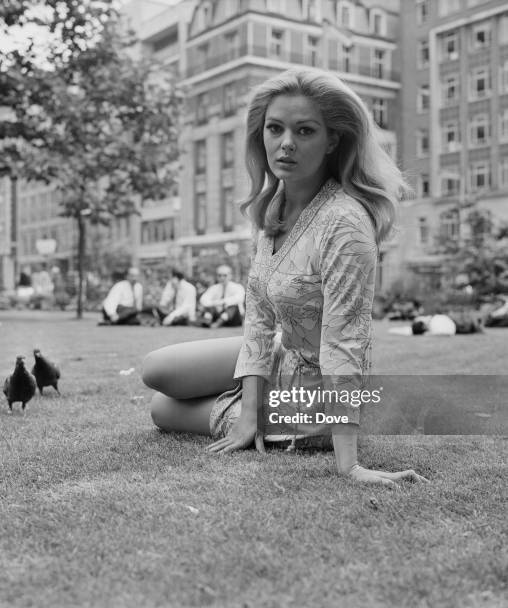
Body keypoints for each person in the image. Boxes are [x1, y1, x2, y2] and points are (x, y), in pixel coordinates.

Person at [142, 67, 429, 488]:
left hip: (315, 393)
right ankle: (246, 406)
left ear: (333, 139)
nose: (286, 144)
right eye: (275, 128)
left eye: (305, 131)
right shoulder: (273, 206)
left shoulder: (344, 222)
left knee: (161, 410)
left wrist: (349, 465)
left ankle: (269, 415)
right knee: (156, 369)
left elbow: (345, 342)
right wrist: (247, 417)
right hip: (282, 353)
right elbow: (258, 320)